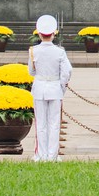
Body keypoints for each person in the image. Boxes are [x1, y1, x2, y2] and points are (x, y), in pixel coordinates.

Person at [28, 14, 72, 162]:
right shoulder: (60, 52)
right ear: (54, 34)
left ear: (39, 34)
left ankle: (41, 155)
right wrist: (61, 87)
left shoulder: (34, 51)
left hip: (40, 87)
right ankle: (52, 155)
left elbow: (31, 71)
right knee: (54, 124)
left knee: (41, 123)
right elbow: (67, 72)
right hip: (55, 88)